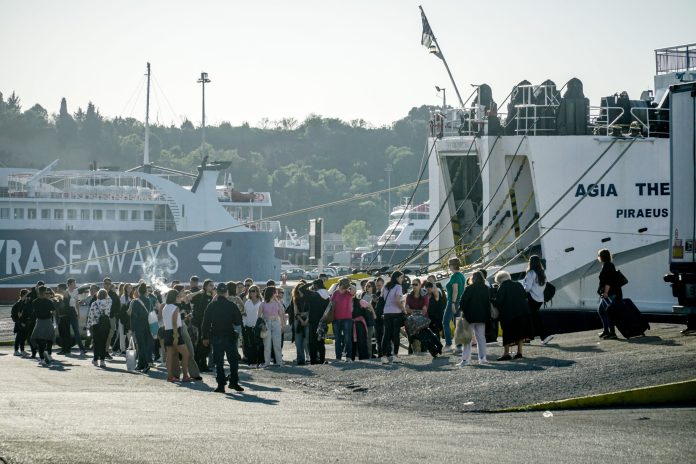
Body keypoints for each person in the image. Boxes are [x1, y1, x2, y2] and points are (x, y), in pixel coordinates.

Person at [202, 283, 244, 393]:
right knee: (233, 361)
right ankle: (233, 382)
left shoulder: (211, 306)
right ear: (226, 292)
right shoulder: (231, 305)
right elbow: (238, 321)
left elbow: (205, 323)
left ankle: (221, 385)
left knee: (219, 362)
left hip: (216, 336)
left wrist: (205, 337)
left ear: (217, 292)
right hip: (229, 336)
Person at [492, 271, 534, 360]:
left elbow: (499, 302)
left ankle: (506, 354)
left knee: (507, 334)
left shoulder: (502, 287)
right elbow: (524, 296)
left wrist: (492, 300)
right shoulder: (518, 284)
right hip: (522, 312)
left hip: (509, 314)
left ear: (499, 280)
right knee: (520, 332)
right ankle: (519, 352)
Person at [458, 271, 490, 366]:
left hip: (469, 317)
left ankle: (465, 360)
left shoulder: (469, 288)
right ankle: (482, 358)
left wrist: (464, 311)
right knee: (481, 338)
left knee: (467, 339)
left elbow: (462, 302)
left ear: (473, 278)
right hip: (482, 317)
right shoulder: (486, 288)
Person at [162, 289, 192, 382]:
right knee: (186, 354)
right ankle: (185, 375)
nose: (180, 298)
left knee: (169, 356)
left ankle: (170, 376)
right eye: (178, 296)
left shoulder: (165, 307)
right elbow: (174, 323)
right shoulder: (175, 308)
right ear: (175, 297)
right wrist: (176, 336)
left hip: (167, 332)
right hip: (175, 332)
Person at [523, 255, 554, 345]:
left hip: (532, 298)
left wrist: (522, 289)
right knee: (534, 318)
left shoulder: (531, 273)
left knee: (531, 318)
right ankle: (532, 337)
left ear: (530, 262)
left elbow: (527, 288)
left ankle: (541, 336)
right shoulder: (542, 273)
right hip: (540, 299)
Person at [299, 279, 328, 365]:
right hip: (323, 321)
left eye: (314, 285)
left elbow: (301, 289)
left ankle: (313, 361)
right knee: (321, 342)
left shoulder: (314, 295)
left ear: (316, 285)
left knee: (312, 342)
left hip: (313, 321)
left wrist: (310, 283)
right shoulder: (327, 295)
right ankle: (322, 360)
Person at [381, 271, 405, 364]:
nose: (402, 279)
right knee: (395, 335)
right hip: (396, 313)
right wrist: (403, 309)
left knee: (386, 334)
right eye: (401, 277)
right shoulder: (398, 287)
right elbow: (397, 300)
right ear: (397, 278)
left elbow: (384, 299)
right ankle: (395, 355)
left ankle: (384, 356)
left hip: (386, 312)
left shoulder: (386, 287)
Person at [597, 248, 621, 340]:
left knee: (607, 311)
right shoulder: (609, 265)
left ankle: (612, 333)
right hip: (612, 292)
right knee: (602, 310)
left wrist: (606, 292)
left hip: (610, 293)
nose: (598, 257)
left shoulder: (607, 266)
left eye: (599, 255)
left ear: (601, 257)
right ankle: (606, 331)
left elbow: (608, 281)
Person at [258, 286, 285, 367]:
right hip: (266, 324)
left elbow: (281, 314)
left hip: (276, 323)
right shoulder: (262, 304)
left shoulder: (278, 303)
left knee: (277, 344)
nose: (277, 294)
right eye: (275, 292)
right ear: (271, 293)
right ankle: (267, 362)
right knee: (267, 344)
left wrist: (283, 325)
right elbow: (259, 317)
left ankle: (279, 362)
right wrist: (262, 325)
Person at [191, 279, 214, 371]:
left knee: (206, 345)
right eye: (210, 285)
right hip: (202, 323)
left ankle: (203, 365)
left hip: (209, 323)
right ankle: (200, 365)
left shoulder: (212, 296)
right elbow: (189, 298)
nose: (212, 287)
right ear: (205, 286)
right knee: (202, 344)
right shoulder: (201, 296)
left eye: (212, 285)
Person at [30, 286, 56, 366]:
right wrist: (50, 313)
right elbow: (54, 312)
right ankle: (48, 353)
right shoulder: (49, 302)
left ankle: (42, 357)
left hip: (39, 322)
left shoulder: (35, 302)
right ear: (45, 292)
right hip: (48, 322)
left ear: (38, 291)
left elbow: (32, 312)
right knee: (49, 339)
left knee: (35, 339)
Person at [129, 283, 152, 373]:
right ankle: (142, 364)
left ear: (138, 291)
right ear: (145, 291)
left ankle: (144, 365)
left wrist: (132, 328)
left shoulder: (135, 301)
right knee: (145, 345)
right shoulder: (149, 300)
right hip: (147, 325)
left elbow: (133, 316)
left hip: (139, 326)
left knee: (141, 346)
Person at [330, 278, 354, 362]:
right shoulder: (335, 293)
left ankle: (348, 357)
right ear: (339, 284)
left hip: (347, 318)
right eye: (343, 284)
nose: (344, 286)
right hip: (336, 319)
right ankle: (338, 357)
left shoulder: (349, 293)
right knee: (337, 339)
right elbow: (331, 304)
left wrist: (349, 284)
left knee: (347, 338)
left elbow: (353, 290)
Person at [445, 257, 466, 350]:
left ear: (452, 266)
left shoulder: (454, 276)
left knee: (445, 322)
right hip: (459, 301)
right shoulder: (461, 275)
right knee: (457, 322)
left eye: (449, 265)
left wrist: (453, 303)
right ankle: (459, 345)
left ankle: (448, 344)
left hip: (453, 301)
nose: (448, 267)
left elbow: (455, 290)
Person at [87, 289, 112, 368]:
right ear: (106, 295)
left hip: (96, 325)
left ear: (97, 295)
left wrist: (88, 326)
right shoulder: (108, 303)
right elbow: (111, 299)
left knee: (96, 343)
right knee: (103, 343)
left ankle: (95, 360)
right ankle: (102, 361)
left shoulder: (94, 303)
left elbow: (90, 315)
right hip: (105, 325)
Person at [405, 278, 429, 354]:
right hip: (412, 321)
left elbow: (424, 311)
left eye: (416, 284)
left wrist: (412, 311)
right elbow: (406, 309)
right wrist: (418, 311)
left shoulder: (425, 296)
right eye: (413, 284)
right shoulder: (409, 296)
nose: (414, 286)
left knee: (423, 340)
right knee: (411, 339)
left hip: (422, 321)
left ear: (420, 285)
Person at [350, 283, 371, 360]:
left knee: (362, 341)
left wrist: (374, 315)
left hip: (359, 324)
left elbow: (369, 306)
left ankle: (364, 357)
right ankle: (351, 358)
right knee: (351, 341)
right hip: (350, 324)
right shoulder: (346, 302)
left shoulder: (360, 301)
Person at [242, 284, 263, 367]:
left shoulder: (261, 301)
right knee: (251, 345)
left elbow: (263, 314)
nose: (251, 292)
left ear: (257, 292)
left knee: (260, 345)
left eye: (253, 291)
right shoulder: (247, 302)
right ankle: (252, 362)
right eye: (250, 291)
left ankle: (261, 362)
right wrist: (245, 323)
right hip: (249, 326)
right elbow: (244, 314)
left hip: (258, 326)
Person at [66, 278, 86, 356]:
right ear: (70, 284)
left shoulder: (76, 291)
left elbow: (77, 303)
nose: (75, 285)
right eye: (74, 283)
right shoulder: (66, 292)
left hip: (73, 312)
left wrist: (78, 313)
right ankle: (67, 349)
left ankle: (82, 349)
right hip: (67, 313)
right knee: (66, 331)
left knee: (76, 331)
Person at [291, 282, 310, 365]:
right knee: (298, 341)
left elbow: (311, 311)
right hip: (298, 320)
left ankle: (309, 357)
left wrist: (307, 319)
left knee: (307, 340)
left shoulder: (309, 298)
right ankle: (300, 359)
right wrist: (301, 320)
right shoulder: (295, 298)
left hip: (308, 320)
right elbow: (296, 312)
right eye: (299, 288)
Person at [361, 281, 377, 358]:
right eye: (366, 286)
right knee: (362, 338)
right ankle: (363, 354)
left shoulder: (374, 296)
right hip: (363, 318)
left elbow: (373, 308)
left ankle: (369, 355)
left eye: (369, 286)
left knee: (369, 339)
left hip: (370, 319)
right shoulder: (363, 294)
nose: (367, 287)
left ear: (373, 287)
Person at [11, 289, 30, 356]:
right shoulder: (17, 304)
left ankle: (22, 350)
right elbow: (14, 316)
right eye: (27, 295)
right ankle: (16, 350)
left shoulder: (26, 303)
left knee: (24, 337)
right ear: (24, 295)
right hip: (19, 324)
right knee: (18, 337)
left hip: (25, 323)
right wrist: (20, 322)